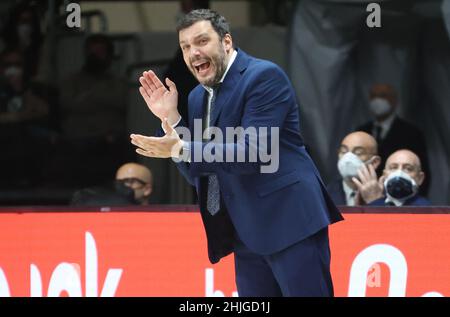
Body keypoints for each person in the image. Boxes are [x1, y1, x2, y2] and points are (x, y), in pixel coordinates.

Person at [130, 9, 343, 297]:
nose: (193, 52)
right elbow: (198, 173)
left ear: (226, 42)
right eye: (185, 47)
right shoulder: (195, 97)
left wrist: (183, 146)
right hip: (246, 232)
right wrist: (172, 120)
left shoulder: (263, 76)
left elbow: (255, 151)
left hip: (290, 222)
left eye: (201, 41)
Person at [356, 83, 430, 195]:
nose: (377, 100)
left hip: (403, 197)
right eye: (373, 96)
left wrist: (415, 204)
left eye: (382, 95)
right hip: (365, 195)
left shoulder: (411, 133)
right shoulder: (362, 131)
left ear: (394, 100)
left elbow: (423, 169)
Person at [327, 131, 381, 206]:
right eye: (343, 151)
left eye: (358, 153)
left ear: (374, 162)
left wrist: (376, 201)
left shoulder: (387, 194)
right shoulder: (324, 194)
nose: (348, 158)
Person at [365, 149, 431, 207]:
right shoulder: (369, 200)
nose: (399, 173)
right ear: (384, 175)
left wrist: (375, 202)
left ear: (420, 178)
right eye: (393, 168)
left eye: (408, 169)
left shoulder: (426, 209)